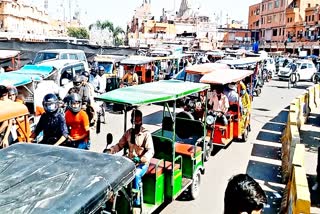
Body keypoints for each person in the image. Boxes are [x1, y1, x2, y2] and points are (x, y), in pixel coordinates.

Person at [105, 109, 154, 206]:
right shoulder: (128, 133)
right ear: (132, 121)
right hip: (129, 161)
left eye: (139, 121)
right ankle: (111, 197)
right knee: (113, 171)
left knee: (135, 175)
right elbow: (119, 145)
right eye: (135, 121)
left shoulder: (146, 134)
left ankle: (136, 202)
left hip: (141, 163)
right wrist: (110, 150)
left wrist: (141, 159)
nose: (137, 123)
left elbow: (150, 151)